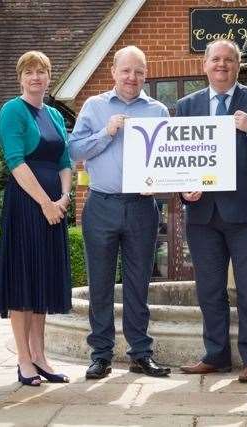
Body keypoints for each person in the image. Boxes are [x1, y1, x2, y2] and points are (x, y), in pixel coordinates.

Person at [177, 39, 247, 383]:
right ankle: (216, 355)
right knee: (209, 289)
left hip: (246, 212)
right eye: (216, 59)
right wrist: (183, 186)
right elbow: (180, 158)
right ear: (204, 65)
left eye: (229, 60)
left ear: (238, 66)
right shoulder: (186, 105)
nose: (222, 65)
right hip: (202, 213)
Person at [70, 45, 171, 379]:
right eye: (126, 70)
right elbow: (74, 149)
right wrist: (106, 132)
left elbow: (169, 160)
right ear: (113, 72)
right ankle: (101, 355)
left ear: (146, 75)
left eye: (139, 71)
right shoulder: (94, 106)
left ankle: (141, 353)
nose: (132, 77)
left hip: (143, 206)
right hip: (101, 204)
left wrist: (160, 183)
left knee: (138, 283)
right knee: (99, 284)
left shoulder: (158, 111)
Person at [0, 51, 72, 386]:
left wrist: (64, 197)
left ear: (49, 77)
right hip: (27, 207)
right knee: (24, 280)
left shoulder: (53, 113)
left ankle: (40, 356)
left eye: (41, 71)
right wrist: (45, 203)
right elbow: (14, 161)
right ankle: (24, 360)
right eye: (29, 72)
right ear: (20, 77)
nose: (36, 77)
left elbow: (66, 160)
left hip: (56, 207)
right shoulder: (12, 110)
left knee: (42, 279)